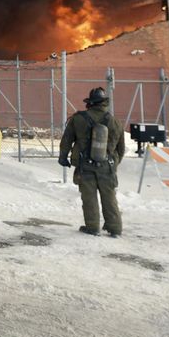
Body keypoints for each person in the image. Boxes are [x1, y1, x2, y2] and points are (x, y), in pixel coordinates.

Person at [58, 87, 125, 237]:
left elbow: (67, 140)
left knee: (89, 197)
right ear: (104, 103)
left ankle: (93, 227)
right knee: (109, 197)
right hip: (107, 166)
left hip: (85, 166)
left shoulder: (78, 119)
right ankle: (115, 229)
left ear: (90, 103)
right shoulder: (115, 121)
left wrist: (63, 157)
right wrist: (113, 164)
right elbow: (121, 149)